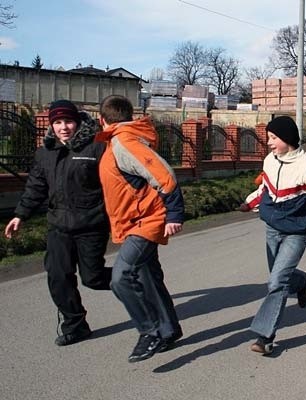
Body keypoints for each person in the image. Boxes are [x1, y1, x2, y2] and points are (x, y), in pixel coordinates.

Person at [3, 100, 111, 346]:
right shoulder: (45, 153)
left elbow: (113, 185)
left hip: (91, 224)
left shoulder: (96, 148)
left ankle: (135, 281)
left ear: (78, 122)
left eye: (68, 121)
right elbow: (36, 187)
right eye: (58, 122)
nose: (64, 127)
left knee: (92, 278)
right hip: (59, 226)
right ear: (52, 125)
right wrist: (21, 214)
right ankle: (76, 325)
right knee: (58, 275)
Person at [239, 116, 306, 355]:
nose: (269, 143)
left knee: (276, 282)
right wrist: (249, 202)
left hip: (296, 231)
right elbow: (266, 188)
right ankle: (301, 281)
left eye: (274, 138)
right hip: (273, 227)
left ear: (287, 139)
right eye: (269, 138)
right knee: (280, 277)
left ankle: (264, 336)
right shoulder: (270, 160)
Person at [96, 95, 184, 363]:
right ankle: (168, 330)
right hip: (134, 221)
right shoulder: (116, 141)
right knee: (148, 276)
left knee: (122, 276)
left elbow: (164, 175)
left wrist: (174, 213)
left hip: (146, 221)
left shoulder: (124, 142)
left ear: (102, 120)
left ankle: (150, 332)